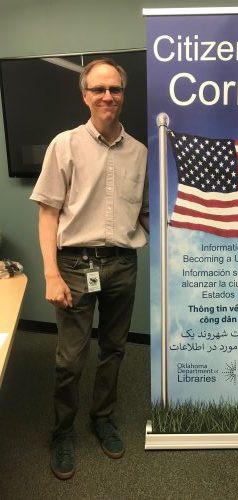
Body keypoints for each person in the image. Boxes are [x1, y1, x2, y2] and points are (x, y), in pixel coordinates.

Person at [30, 58, 149, 480]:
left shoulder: (140, 152)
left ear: (123, 94)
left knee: (114, 350)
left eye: (114, 89)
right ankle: (62, 432)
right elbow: (48, 215)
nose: (107, 96)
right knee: (69, 360)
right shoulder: (64, 145)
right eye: (98, 89)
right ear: (85, 95)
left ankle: (102, 418)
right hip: (75, 267)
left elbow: (144, 215)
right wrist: (50, 273)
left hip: (122, 265)